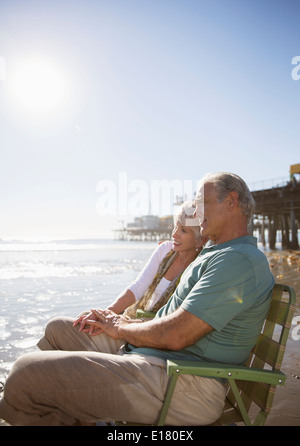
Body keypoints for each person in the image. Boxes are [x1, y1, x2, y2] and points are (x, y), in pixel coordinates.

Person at [0, 172, 275, 426]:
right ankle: (67, 411)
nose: (196, 211)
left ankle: (53, 407)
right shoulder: (216, 253)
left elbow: (176, 335)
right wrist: (121, 319)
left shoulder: (237, 261)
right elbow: (170, 320)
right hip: (158, 359)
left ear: (231, 201)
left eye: (201, 203)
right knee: (60, 328)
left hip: (187, 384)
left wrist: (120, 328)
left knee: (26, 374)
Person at [74, 201, 207, 335]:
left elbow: (176, 319)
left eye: (183, 230)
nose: (174, 234)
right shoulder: (165, 249)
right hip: (131, 318)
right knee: (85, 317)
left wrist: (119, 324)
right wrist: (106, 313)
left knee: (72, 328)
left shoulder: (200, 267)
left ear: (199, 240)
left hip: (152, 330)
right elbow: (139, 286)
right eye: (175, 227)